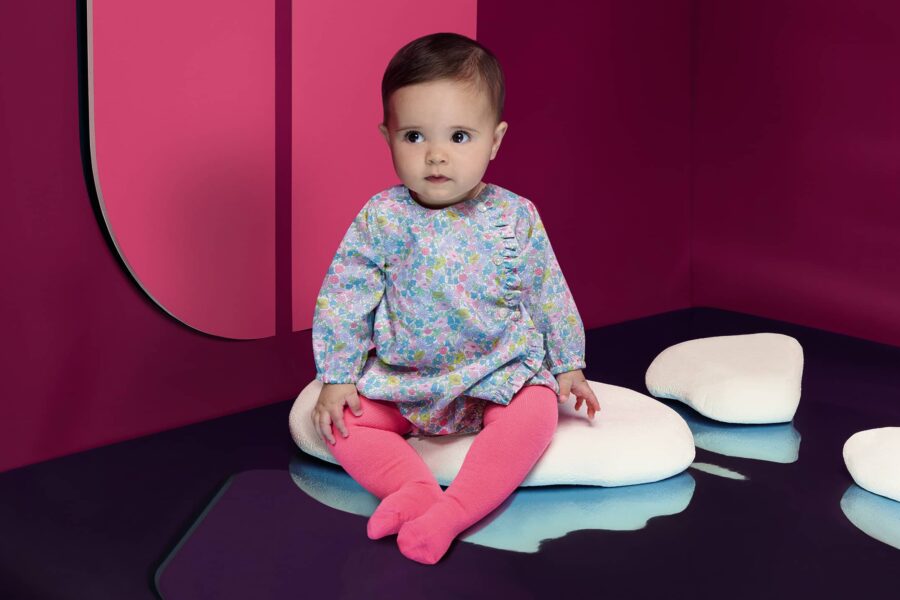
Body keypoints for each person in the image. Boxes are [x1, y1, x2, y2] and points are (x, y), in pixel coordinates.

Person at [310, 32, 600, 565]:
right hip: (405, 379)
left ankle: (456, 510)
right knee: (337, 421)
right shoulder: (382, 217)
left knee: (536, 410)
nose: (436, 155)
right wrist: (337, 374)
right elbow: (345, 297)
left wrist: (568, 364)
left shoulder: (515, 215)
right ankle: (411, 489)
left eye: (460, 136)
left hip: (496, 374)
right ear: (387, 137)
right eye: (414, 136)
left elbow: (547, 289)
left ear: (495, 140)